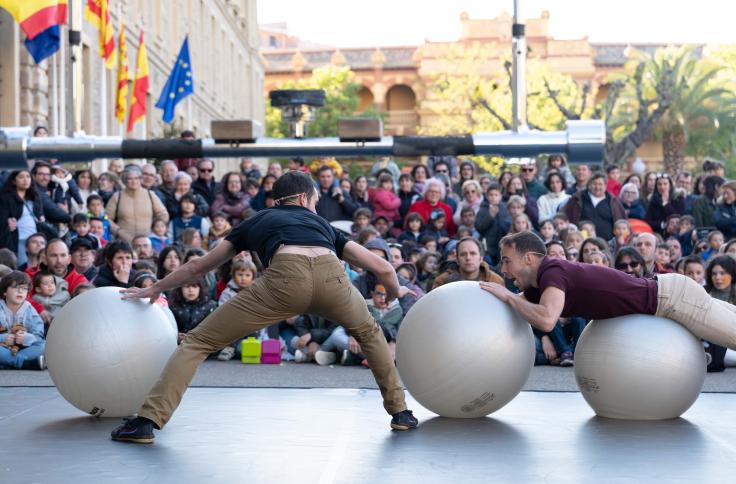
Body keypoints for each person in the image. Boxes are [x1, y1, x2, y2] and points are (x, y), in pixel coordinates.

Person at [111, 171, 418, 443]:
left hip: (283, 280)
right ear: (302, 197)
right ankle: (401, 413)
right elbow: (383, 268)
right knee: (370, 333)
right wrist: (393, 293)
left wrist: (155, 287)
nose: (315, 206)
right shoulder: (322, 224)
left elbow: (199, 267)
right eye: (314, 200)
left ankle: (147, 422)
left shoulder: (258, 219)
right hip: (332, 278)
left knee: (198, 342)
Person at [479, 231, 736, 358]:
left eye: (506, 261)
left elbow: (547, 319)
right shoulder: (537, 287)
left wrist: (509, 296)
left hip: (673, 299)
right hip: (668, 294)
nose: (502, 269)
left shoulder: (552, 270)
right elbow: (515, 310)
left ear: (528, 259)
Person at [106, 165, 170, 243]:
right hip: (124, 241)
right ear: (125, 180)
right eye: (130, 179)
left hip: (148, 241)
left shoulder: (150, 195)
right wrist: (118, 231)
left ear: (140, 179)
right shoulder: (117, 196)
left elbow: (163, 214)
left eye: (136, 178)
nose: (134, 181)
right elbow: (106, 218)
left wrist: (157, 230)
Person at [0, 271, 45, 370]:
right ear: (4, 292)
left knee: (44, 346)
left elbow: (38, 335)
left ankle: (8, 362)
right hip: (3, 347)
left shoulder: (30, 310)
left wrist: (27, 338)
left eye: (24, 288)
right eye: (15, 287)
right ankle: (24, 363)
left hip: (23, 349)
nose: (20, 291)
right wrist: (3, 338)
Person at [563, 173, 625, 241]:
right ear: (589, 185)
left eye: (600, 184)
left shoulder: (613, 201)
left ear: (605, 186)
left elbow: (622, 222)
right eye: (594, 184)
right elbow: (565, 216)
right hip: (582, 242)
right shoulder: (578, 198)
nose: (597, 187)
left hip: (608, 243)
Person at [0, 170, 44, 266]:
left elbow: (40, 215)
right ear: (14, 181)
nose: (25, 180)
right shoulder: (6, 198)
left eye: (28, 177)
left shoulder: (34, 197)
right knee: (22, 267)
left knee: (39, 266)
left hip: (36, 238)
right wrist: (8, 224)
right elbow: (2, 220)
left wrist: (41, 218)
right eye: (21, 177)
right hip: (19, 239)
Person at [431, 237, 504, 290]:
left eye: (473, 253)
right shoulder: (442, 281)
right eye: (463, 254)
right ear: (457, 259)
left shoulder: (495, 281)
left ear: (481, 258)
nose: (468, 258)